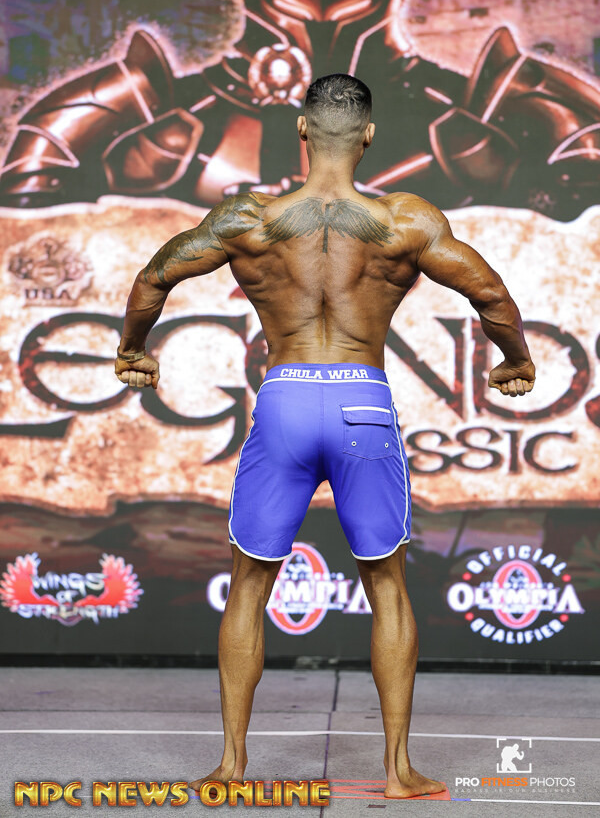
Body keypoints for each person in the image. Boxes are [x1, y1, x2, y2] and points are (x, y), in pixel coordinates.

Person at [114, 73, 536, 799]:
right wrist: (516, 360)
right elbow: (490, 292)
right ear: (368, 135)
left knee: (250, 582)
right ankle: (399, 772)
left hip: (284, 402)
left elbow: (155, 277)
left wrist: (132, 350)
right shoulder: (404, 221)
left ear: (302, 130)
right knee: (387, 584)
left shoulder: (248, 220)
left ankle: (231, 767)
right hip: (361, 404)